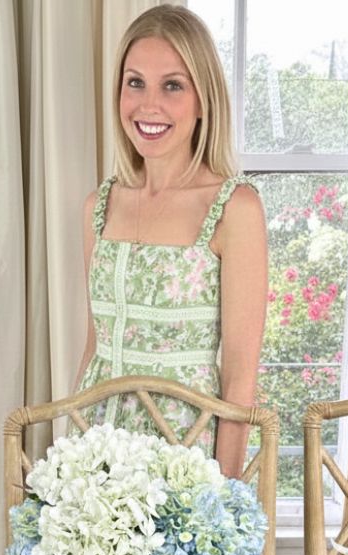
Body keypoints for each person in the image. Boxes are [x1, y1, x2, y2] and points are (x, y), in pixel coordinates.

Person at [74, 4, 267, 479]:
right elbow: (95, 345)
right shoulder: (99, 206)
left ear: (203, 99)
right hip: (96, 454)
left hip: (184, 459)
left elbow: (240, 376)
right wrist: (71, 450)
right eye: (135, 82)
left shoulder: (233, 208)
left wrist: (223, 496)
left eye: (173, 85)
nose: (149, 105)